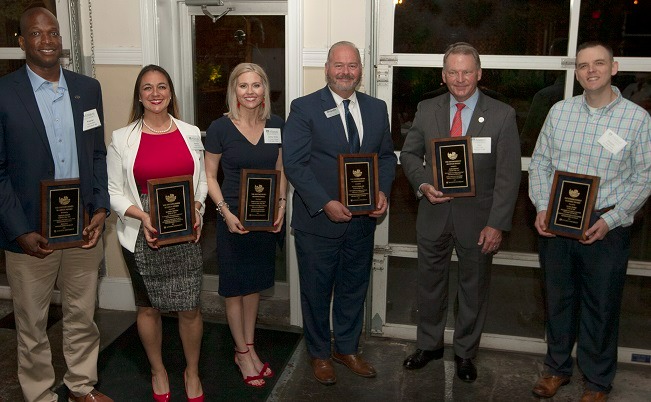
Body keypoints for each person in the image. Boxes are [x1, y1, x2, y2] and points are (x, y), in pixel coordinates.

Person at [0, 7, 112, 402]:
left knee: (83, 316)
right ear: (21, 42)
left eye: (53, 33)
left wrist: (100, 208)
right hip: (30, 233)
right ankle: (40, 395)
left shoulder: (87, 89)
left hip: (82, 229)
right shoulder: (4, 94)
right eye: (36, 33)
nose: (46, 40)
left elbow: (97, 153)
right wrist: (19, 230)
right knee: (32, 324)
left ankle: (81, 385)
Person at [528, 41, 651, 402]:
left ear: (614, 68)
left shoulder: (637, 119)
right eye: (583, 65)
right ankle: (556, 369)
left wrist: (611, 220)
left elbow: (644, 177)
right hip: (557, 219)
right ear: (576, 71)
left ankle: (597, 382)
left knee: (601, 304)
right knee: (558, 298)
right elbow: (540, 163)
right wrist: (540, 207)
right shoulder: (560, 112)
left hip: (606, 225)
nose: (591, 70)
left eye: (599, 64)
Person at [400, 42, 521, 382]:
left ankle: (465, 353)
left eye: (467, 71)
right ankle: (429, 345)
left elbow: (508, 176)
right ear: (443, 75)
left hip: (479, 221)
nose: (460, 79)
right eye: (452, 71)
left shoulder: (502, 114)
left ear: (479, 73)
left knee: (474, 289)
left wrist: (497, 224)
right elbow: (409, 155)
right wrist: (423, 184)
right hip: (433, 215)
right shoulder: (427, 109)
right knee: (429, 286)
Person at [283, 41, 397, 385]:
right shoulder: (304, 108)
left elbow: (387, 158)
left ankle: (346, 348)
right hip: (318, 222)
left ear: (361, 70)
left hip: (362, 222)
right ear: (327, 68)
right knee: (316, 291)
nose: (345, 71)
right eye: (338, 65)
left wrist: (383, 192)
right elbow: (295, 164)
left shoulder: (377, 109)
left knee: (353, 287)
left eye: (352, 65)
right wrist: (324, 202)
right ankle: (318, 354)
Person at [107, 65, 206, 402]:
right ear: (139, 95)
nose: (155, 93)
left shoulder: (191, 132)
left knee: (190, 306)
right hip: (139, 231)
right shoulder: (122, 138)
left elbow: (202, 181)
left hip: (184, 232)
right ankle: (157, 369)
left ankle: (191, 371)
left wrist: (196, 206)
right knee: (148, 307)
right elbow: (114, 192)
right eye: (147, 88)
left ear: (170, 93)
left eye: (161, 86)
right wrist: (144, 215)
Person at [204, 63, 287, 388]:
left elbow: (281, 172)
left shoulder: (277, 126)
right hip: (233, 219)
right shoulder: (220, 128)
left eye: (256, 85)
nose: (250, 91)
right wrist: (224, 212)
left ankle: (250, 346)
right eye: (243, 86)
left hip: (264, 221)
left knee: (254, 285)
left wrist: (280, 206)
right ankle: (240, 352)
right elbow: (209, 175)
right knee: (235, 289)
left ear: (264, 89)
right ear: (233, 90)